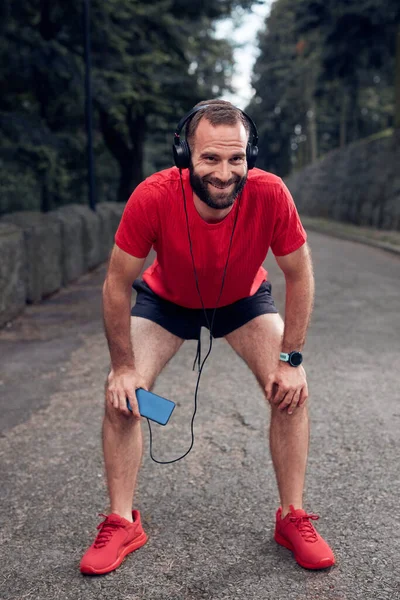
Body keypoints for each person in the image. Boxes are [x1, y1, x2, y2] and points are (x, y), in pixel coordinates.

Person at [80, 99, 335, 575]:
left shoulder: (271, 193)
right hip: (168, 299)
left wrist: (291, 359)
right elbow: (116, 285)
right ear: (185, 156)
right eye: (210, 159)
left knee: (291, 391)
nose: (224, 172)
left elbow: (299, 274)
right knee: (123, 396)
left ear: (250, 156)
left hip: (242, 299)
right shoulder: (153, 196)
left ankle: (292, 516)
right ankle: (121, 521)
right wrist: (123, 367)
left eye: (235, 158)